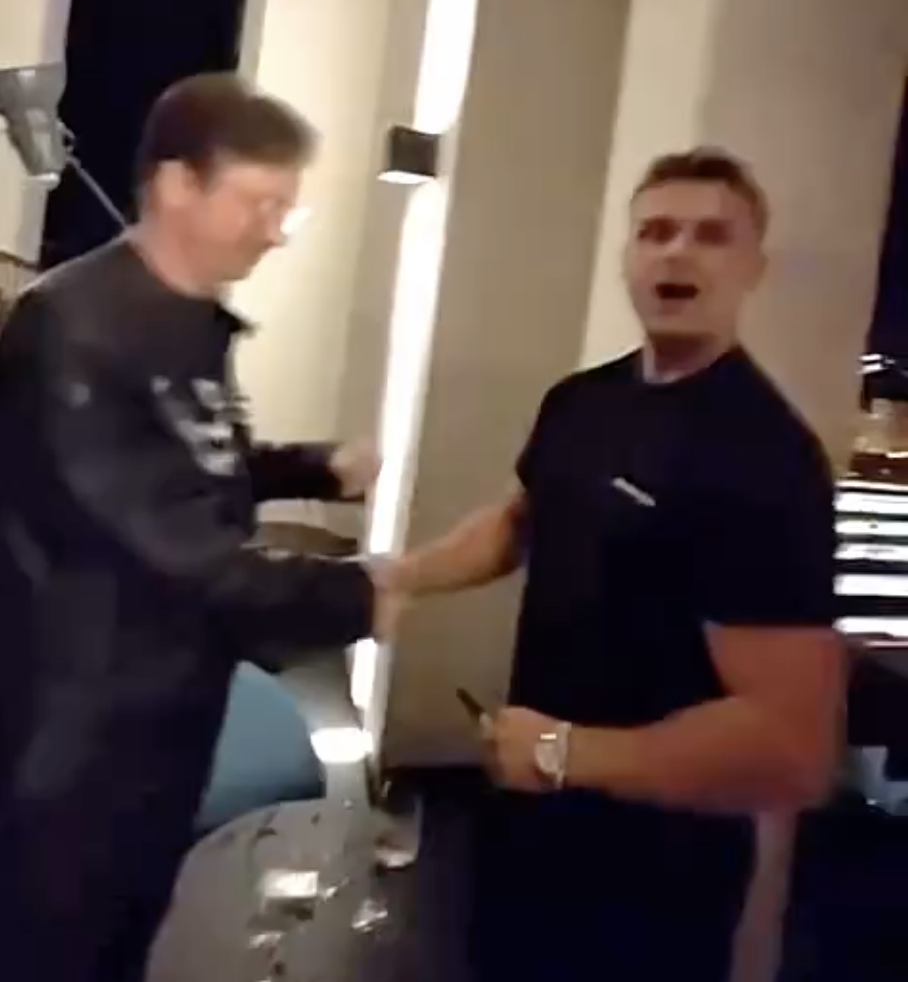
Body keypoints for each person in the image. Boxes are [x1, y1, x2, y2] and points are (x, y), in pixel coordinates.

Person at [392, 148, 845, 982]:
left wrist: (566, 753)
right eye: (655, 231)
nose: (677, 252)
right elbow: (520, 522)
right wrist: (399, 577)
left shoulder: (768, 458)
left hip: (652, 879)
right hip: (527, 824)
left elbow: (794, 746)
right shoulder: (580, 401)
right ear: (628, 257)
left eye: (711, 235)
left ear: (753, 267)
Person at [0, 73, 396, 982]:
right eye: (260, 203)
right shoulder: (71, 328)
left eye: (287, 209)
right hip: (72, 735)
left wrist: (310, 467)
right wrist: (363, 591)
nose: (275, 230)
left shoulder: (185, 325)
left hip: (163, 714)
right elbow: (167, 544)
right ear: (178, 184)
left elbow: (187, 465)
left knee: (123, 941)